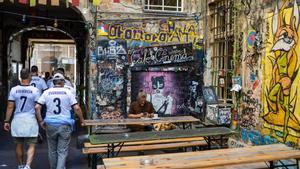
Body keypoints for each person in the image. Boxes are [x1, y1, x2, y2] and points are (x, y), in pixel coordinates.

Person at [35, 73, 85, 169]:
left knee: (52, 150)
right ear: (63, 82)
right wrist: (82, 120)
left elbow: (37, 107)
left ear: (53, 82)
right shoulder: (68, 92)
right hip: (64, 124)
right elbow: (77, 108)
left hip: (50, 124)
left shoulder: (47, 92)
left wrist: (41, 121)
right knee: (62, 151)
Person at [3, 68, 40, 169]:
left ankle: (20, 165)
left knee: (18, 144)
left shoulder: (14, 90)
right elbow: (37, 108)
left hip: (17, 120)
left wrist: (6, 121)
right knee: (31, 144)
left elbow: (10, 106)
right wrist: (40, 120)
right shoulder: (35, 90)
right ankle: (27, 166)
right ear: (29, 76)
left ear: (20, 76)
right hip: (30, 120)